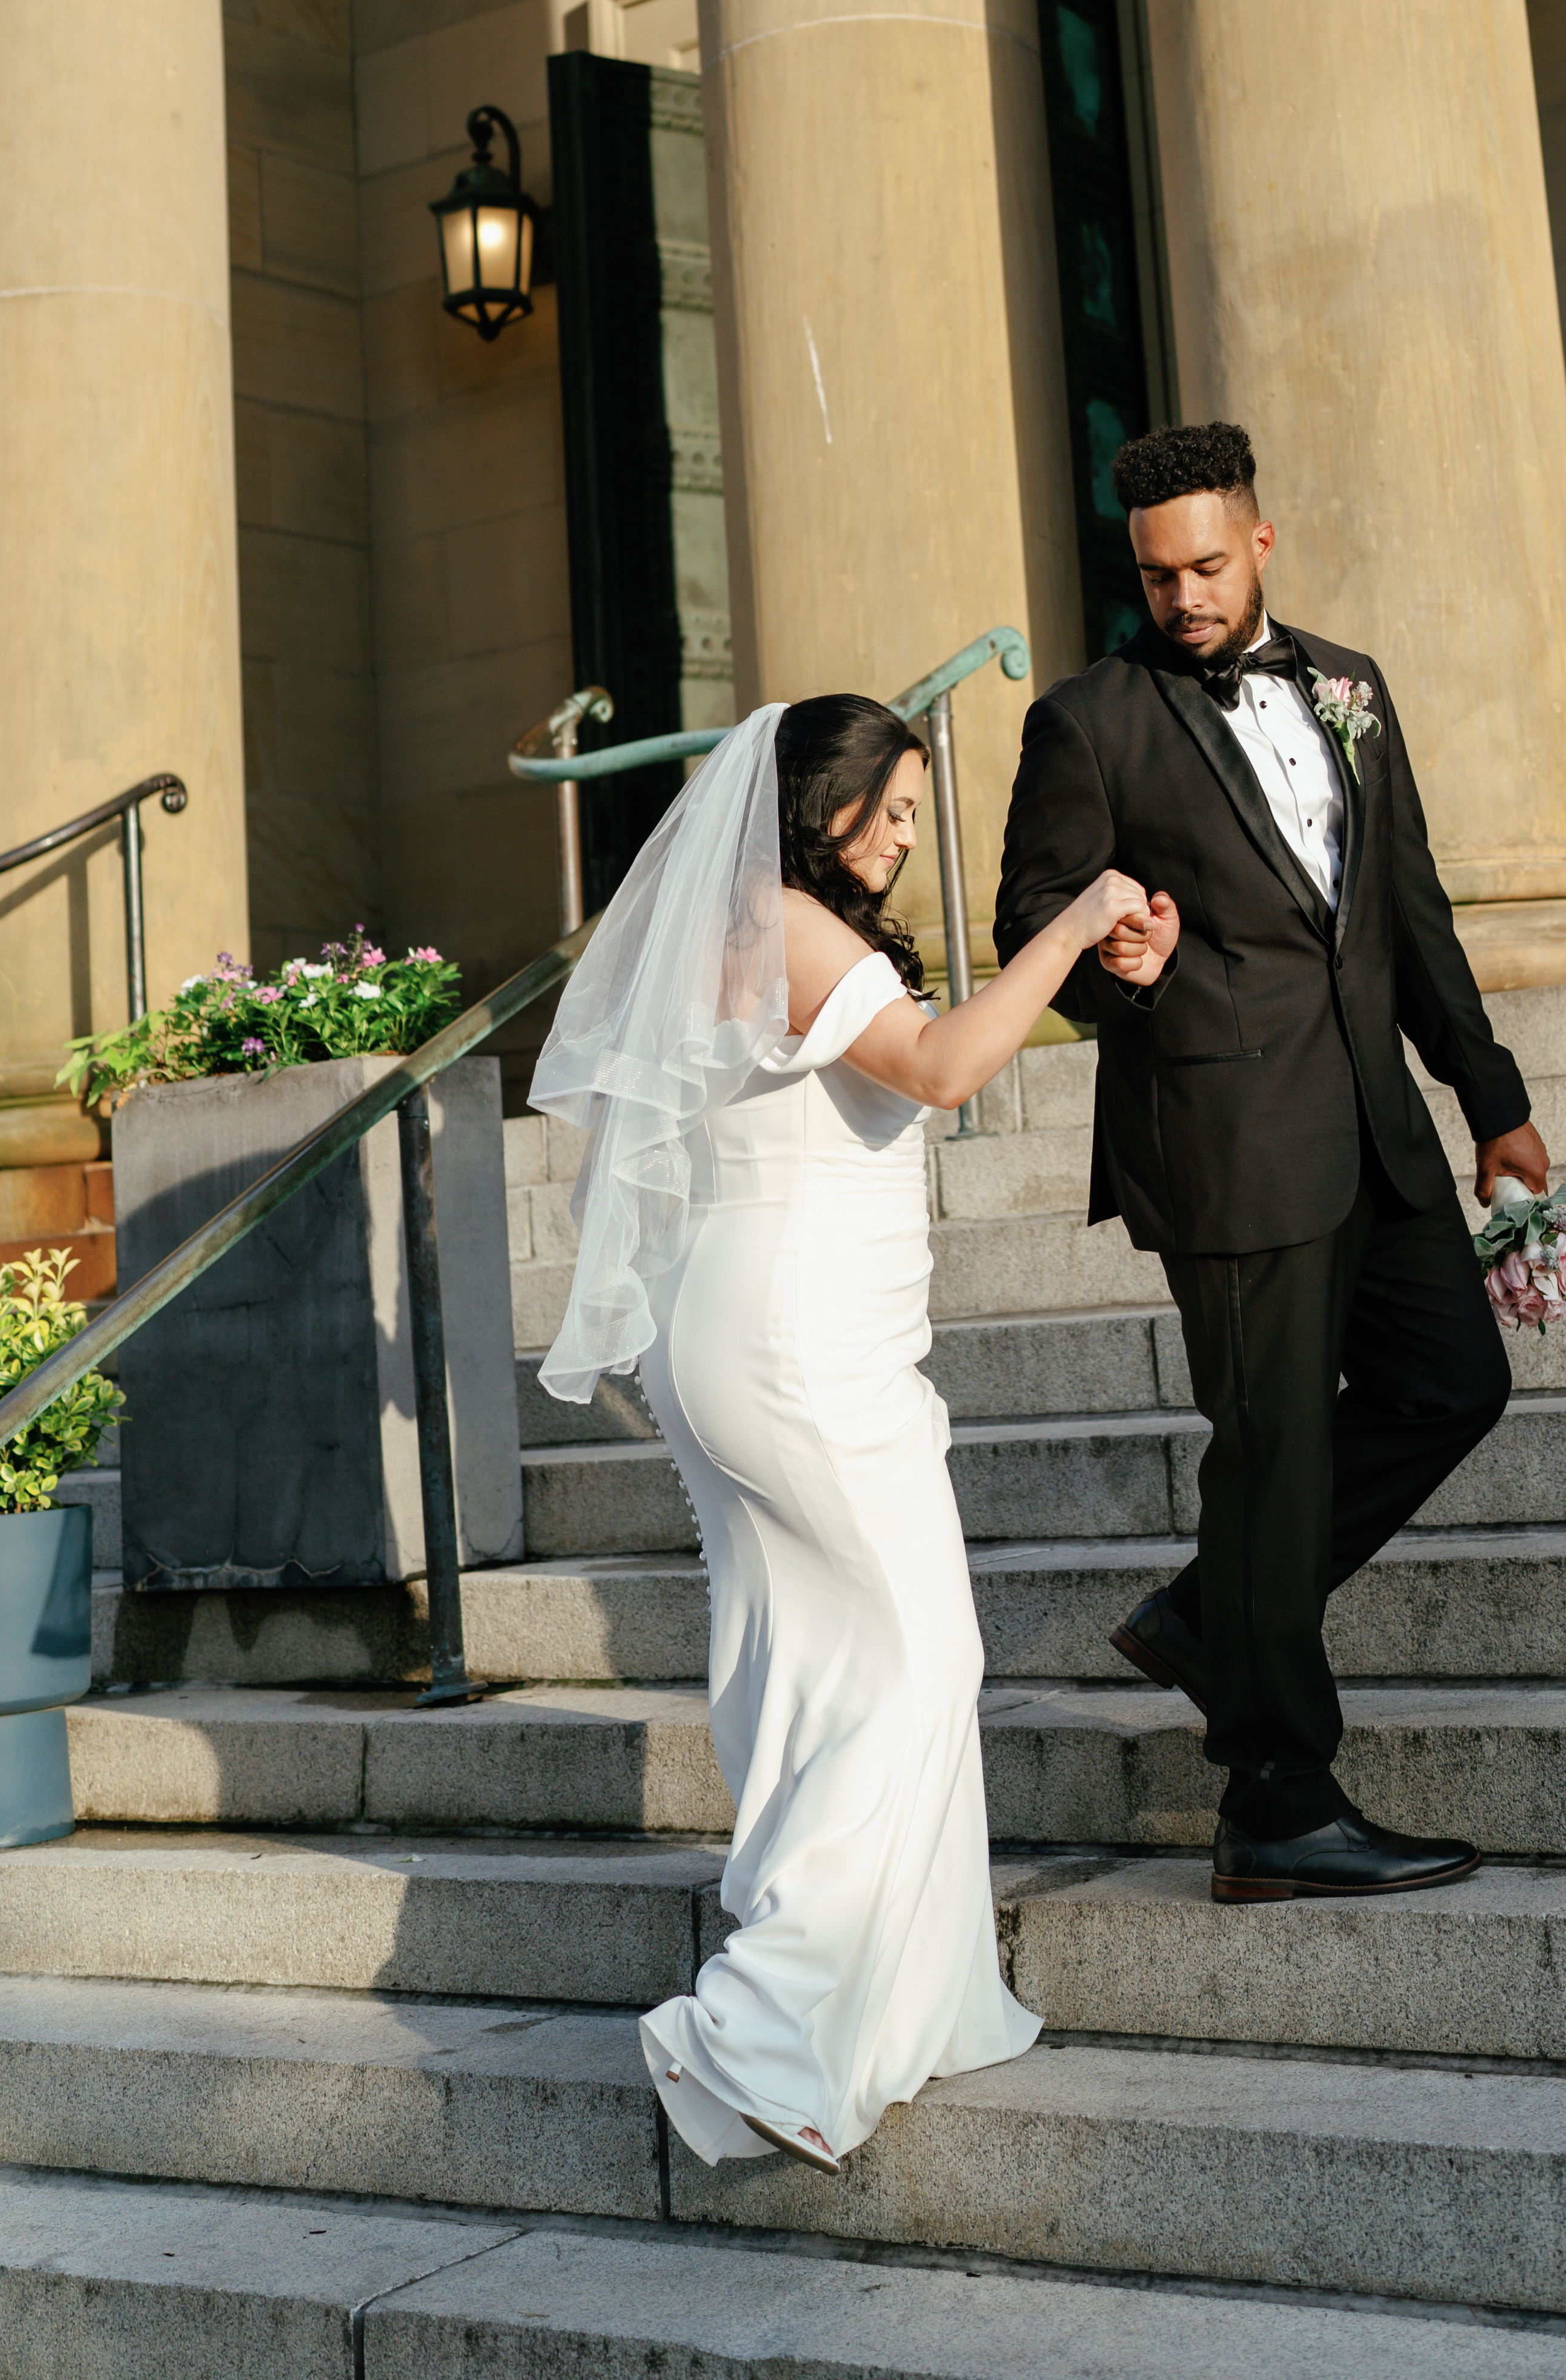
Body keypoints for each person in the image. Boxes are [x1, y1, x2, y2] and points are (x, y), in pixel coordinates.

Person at [532, 692, 1151, 2171]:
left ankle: (902, 2013)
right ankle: (761, 2028)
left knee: (809, 1659)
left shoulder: (735, 928)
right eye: (887, 809)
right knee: (919, 1653)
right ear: (813, 799)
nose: (902, 836)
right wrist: (1064, 932)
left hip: (754, 1329)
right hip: (798, 1343)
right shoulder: (790, 928)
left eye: (917, 816)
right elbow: (938, 1068)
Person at [993, 420, 1550, 1903]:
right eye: (1155, 574)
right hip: (1226, 1141)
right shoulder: (1089, 722)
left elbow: (1406, 906)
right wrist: (1119, 959)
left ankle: (1209, 1621)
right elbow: (1031, 930)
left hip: (1377, 1124)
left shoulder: (1350, 685)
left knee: (1455, 1382)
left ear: (1261, 542)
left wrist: (1487, 1097)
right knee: (1273, 1454)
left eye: (1206, 564)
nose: (1181, 597)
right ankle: (1275, 1804)